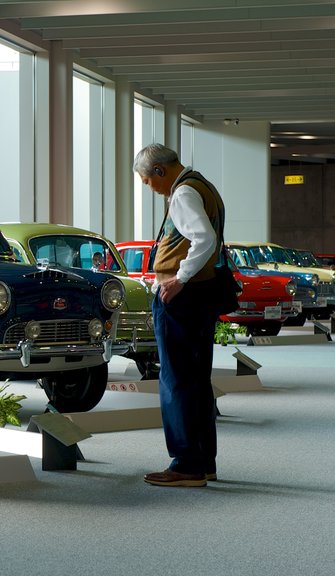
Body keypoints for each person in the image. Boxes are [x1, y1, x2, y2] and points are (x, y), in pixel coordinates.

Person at [134, 143, 225, 488]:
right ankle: (203, 461)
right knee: (197, 379)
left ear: (159, 171)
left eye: (146, 180)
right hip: (200, 296)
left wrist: (179, 278)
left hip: (182, 297)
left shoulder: (183, 192)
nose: (148, 187)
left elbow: (204, 238)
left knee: (176, 380)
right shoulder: (203, 184)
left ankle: (186, 464)